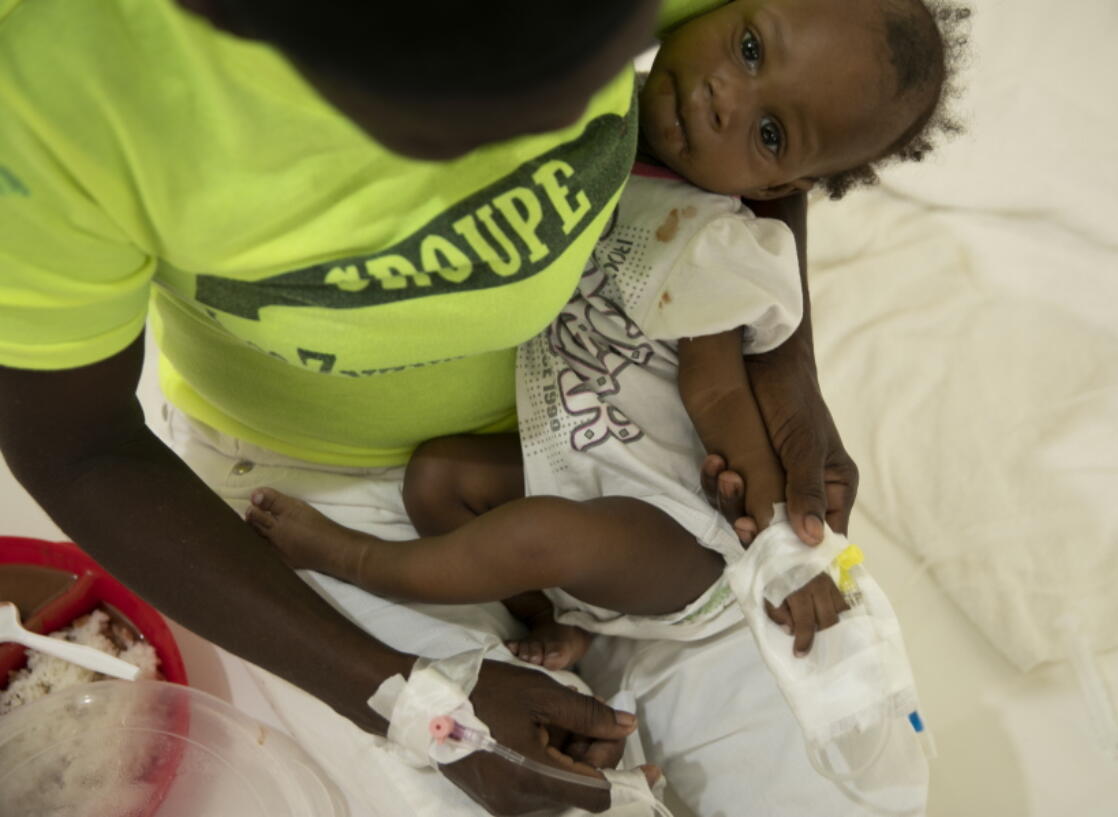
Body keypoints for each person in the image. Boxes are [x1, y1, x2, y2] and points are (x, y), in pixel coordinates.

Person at [0, 0, 951, 812]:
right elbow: (79, 447)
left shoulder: (731, 53)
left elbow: (802, 107)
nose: (534, 148)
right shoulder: (50, 84)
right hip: (312, 478)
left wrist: (786, 368)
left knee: (846, 757)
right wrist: (404, 699)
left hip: (616, 408)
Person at [242, 0, 952, 679]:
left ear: (784, 183)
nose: (724, 98)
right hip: (580, 461)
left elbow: (717, 391)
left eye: (768, 134)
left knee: (542, 536)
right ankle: (549, 615)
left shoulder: (709, 241)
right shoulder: (597, 115)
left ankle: (355, 561)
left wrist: (783, 543)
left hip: (677, 530)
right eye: (749, 49)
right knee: (436, 480)